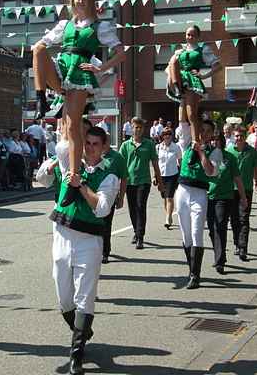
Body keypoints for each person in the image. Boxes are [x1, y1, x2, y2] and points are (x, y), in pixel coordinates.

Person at [31, 0, 125, 208]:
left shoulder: (99, 27)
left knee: (73, 128)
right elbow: (44, 44)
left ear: (90, 1)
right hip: (61, 70)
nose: (80, 2)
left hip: (80, 76)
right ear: (72, 1)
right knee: (38, 49)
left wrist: (101, 69)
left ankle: (74, 178)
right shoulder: (65, 25)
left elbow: (121, 52)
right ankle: (41, 97)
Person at [37, 126, 119, 375]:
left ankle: (76, 355)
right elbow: (44, 175)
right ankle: (82, 330)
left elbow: (103, 208)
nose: (91, 148)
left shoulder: (109, 175)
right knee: (64, 299)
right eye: (87, 143)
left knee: (85, 296)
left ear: (104, 147)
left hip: (89, 241)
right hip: (62, 235)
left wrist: (81, 186)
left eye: (96, 144)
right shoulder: (70, 162)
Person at [174, 120, 223, 289]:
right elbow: (183, 121)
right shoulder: (187, 143)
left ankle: (196, 276)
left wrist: (201, 152)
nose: (204, 133)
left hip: (199, 194)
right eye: (201, 130)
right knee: (185, 234)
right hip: (182, 191)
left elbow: (210, 171)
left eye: (208, 131)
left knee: (196, 233)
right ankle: (191, 269)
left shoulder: (215, 152)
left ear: (212, 134)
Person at [165, 25, 221, 148]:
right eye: (187, 34)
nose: (189, 37)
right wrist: (171, 78)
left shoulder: (202, 49)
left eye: (192, 35)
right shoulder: (181, 50)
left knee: (191, 114)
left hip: (192, 81)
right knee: (181, 117)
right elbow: (170, 66)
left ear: (198, 37)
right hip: (180, 80)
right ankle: (183, 143)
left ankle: (196, 140)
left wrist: (204, 75)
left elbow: (218, 66)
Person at [119, 117, 164, 249]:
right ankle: (135, 231)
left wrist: (160, 182)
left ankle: (140, 236)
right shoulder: (125, 145)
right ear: (131, 129)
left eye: (140, 127)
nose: (138, 130)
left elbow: (155, 164)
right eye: (135, 127)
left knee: (140, 206)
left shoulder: (149, 144)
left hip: (144, 181)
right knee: (132, 208)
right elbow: (120, 165)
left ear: (143, 129)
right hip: (129, 181)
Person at [207, 130, 247, 274]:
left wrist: (243, 197)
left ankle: (220, 260)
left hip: (224, 197)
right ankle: (219, 253)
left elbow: (237, 178)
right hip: (208, 196)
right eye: (212, 140)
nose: (215, 143)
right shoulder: (206, 156)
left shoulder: (229, 158)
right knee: (212, 230)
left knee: (220, 227)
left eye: (217, 140)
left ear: (222, 142)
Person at [228, 126, 257, 261]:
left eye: (241, 136)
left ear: (245, 137)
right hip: (231, 190)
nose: (238, 138)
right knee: (234, 219)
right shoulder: (229, 151)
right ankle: (237, 244)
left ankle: (243, 248)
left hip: (247, 190)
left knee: (244, 219)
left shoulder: (252, 152)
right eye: (236, 136)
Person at [100, 132, 127, 264]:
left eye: (107, 140)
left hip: (109, 198)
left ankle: (105, 252)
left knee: (106, 224)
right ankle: (96, 250)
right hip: (92, 197)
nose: (105, 143)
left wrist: (121, 197)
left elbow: (124, 178)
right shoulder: (92, 154)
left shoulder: (117, 157)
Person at [156, 127, 182, 230]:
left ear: (172, 136)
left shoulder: (176, 147)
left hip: (172, 175)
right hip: (161, 176)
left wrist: (181, 175)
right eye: (165, 134)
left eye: (169, 134)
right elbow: (156, 163)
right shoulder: (158, 147)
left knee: (169, 197)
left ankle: (168, 217)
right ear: (162, 136)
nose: (167, 136)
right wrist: (155, 177)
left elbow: (180, 161)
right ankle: (168, 214)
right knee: (164, 197)